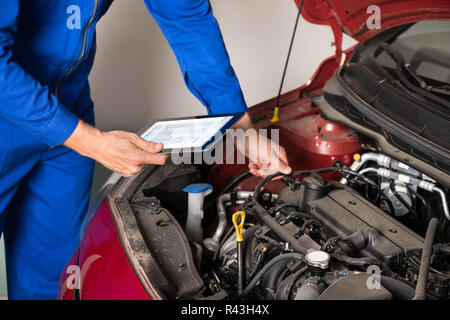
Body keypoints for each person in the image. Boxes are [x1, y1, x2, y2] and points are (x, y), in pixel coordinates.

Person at [0, 0, 291, 299]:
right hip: (10, 116)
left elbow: (186, 16)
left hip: (69, 114)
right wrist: (90, 141)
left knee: (53, 276)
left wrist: (239, 127)